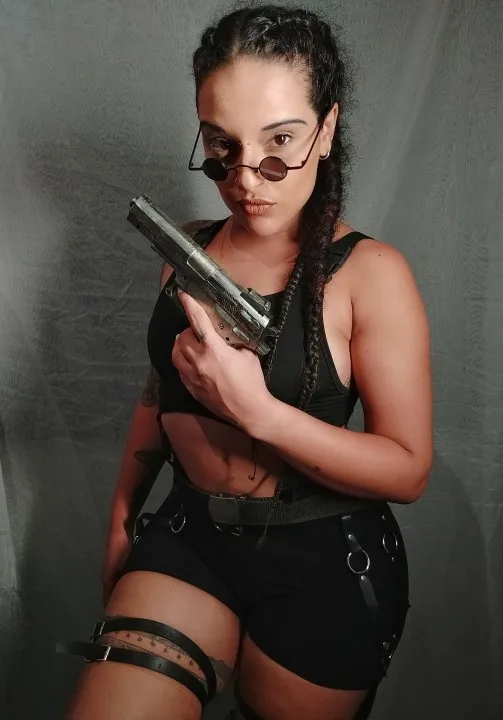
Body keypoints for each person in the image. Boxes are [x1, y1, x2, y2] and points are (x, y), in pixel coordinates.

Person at [60, 5, 433, 719]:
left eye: (279, 141)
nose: (246, 178)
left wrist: (257, 411)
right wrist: (120, 518)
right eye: (221, 146)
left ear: (326, 129)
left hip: (322, 562)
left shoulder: (371, 274)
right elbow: (157, 395)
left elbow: (407, 468)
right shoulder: (189, 251)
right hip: (189, 535)